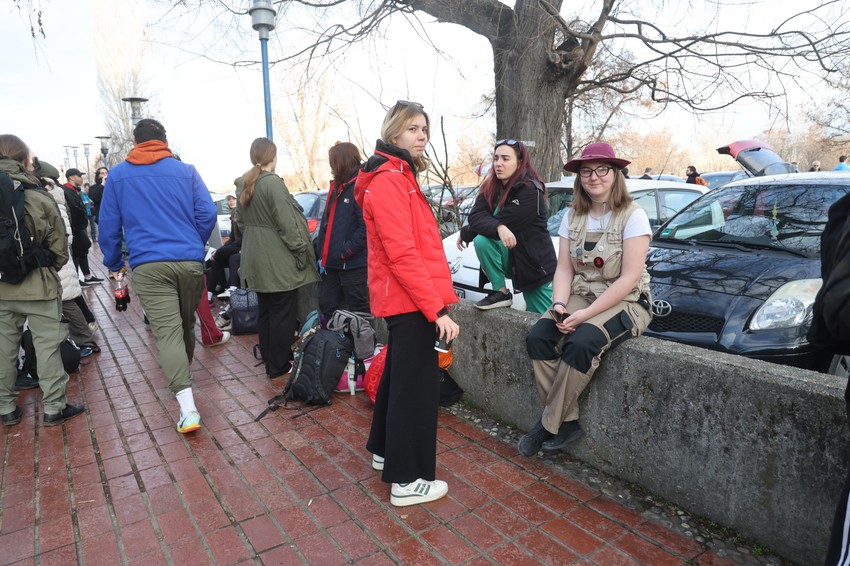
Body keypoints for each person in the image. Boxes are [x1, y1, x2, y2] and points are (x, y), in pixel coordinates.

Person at [355, 100, 460, 507]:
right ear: (395, 133)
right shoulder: (390, 180)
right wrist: (436, 310)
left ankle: (386, 453)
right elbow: (403, 254)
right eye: (414, 129)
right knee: (415, 391)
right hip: (410, 301)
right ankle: (408, 479)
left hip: (405, 299)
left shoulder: (398, 175)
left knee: (400, 381)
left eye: (425, 129)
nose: (422, 136)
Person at [520, 142, 652, 456]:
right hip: (581, 296)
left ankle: (546, 426)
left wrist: (586, 315)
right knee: (539, 337)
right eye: (586, 171)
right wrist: (560, 305)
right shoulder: (572, 215)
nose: (593, 177)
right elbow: (564, 269)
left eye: (602, 170)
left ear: (615, 173)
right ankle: (567, 423)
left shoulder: (633, 216)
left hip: (627, 301)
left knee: (582, 342)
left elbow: (629, 278)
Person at [99, 118, 217, 434]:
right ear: (164, 139)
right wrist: (194, 242)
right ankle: (183, 384)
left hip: (149, 266)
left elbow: (108, 225)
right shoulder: (186, 171)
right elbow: (208, 214)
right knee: (186, 325)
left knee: (167, 332)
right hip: (189, 261)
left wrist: (113, 262)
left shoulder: (119, 176)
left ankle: (187, 406)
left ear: (135, 142)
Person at [0, 134, 85, 427]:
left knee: (3, 347)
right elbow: (60, 246)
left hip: (1, 285)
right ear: (25, 160)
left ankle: (6, 408)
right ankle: (54, 408)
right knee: (47, 345)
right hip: (39, 282)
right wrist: (46, 266)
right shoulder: (37, 195)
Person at [238, 137, 319, 379]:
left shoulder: (246, 183)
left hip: (254, 259)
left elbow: (240, 222)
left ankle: (270, 359)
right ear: (273, 157)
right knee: (283, 312)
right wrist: (303, 254)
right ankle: (279, 364)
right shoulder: (272, 183)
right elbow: (290, 225)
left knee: (266, 311)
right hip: (277, 261)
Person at [457, 139, 556, 313]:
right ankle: (500, 292)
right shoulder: (491, 187)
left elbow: (502, 219)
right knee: (482, 241)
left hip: (536, 268)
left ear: (519, 163)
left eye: (505, 158)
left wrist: (469, 231)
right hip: (514, 259)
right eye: (496, 158)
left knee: (544, 322)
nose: (498, 164)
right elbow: (475, 217)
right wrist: (497, 227)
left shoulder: (530, 190)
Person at [315, 141, 369, 321]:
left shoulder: (358, 187)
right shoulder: (337, 187)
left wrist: (345, 252)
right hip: (332, 263)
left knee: (359, 310)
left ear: (341, 162)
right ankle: (335, 347)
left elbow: (365, 227)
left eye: (333, 163)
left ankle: (362, 349)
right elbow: (328, 224)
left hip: (352, 265)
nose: (331, 167)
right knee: (327, 305)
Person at [62, 168, 102, 285]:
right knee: (78, 251)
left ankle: (87, 276)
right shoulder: (66, 190)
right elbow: (74, 210)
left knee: (83, 250)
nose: (81, 178)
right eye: (79, 176)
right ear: (72, 177)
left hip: (80, 226)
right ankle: (76, 280)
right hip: (75, 227)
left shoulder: (75, 190)